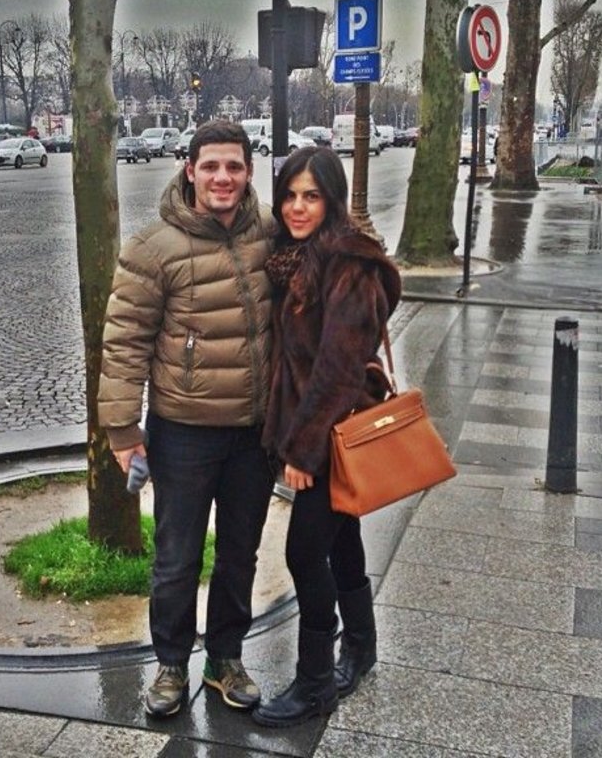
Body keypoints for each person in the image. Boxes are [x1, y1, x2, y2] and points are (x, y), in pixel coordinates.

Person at [98, 120, 276, 719]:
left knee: (240, 555)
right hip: (184, 433)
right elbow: (125, 343)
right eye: (211, 166)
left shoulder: (268, 232)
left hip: (254, 433)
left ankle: (225, 659)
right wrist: (123, 431)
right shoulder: (153, 249)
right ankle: (171, 664)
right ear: (190, 170)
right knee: (176, 559)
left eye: (234, 166)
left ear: (248, 171)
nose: (223, 177)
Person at [252, 146, 401, 728]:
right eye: (290, 195)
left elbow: (338, 370)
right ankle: (360, 646)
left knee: (304, 552)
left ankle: (315, 684)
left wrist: (304, 450)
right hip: (316, 428)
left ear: (332, 200)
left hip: (331, 434)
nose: (297, 207)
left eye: (311, 196)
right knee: (341, 539)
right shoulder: (297, 257)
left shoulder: (348, 265)